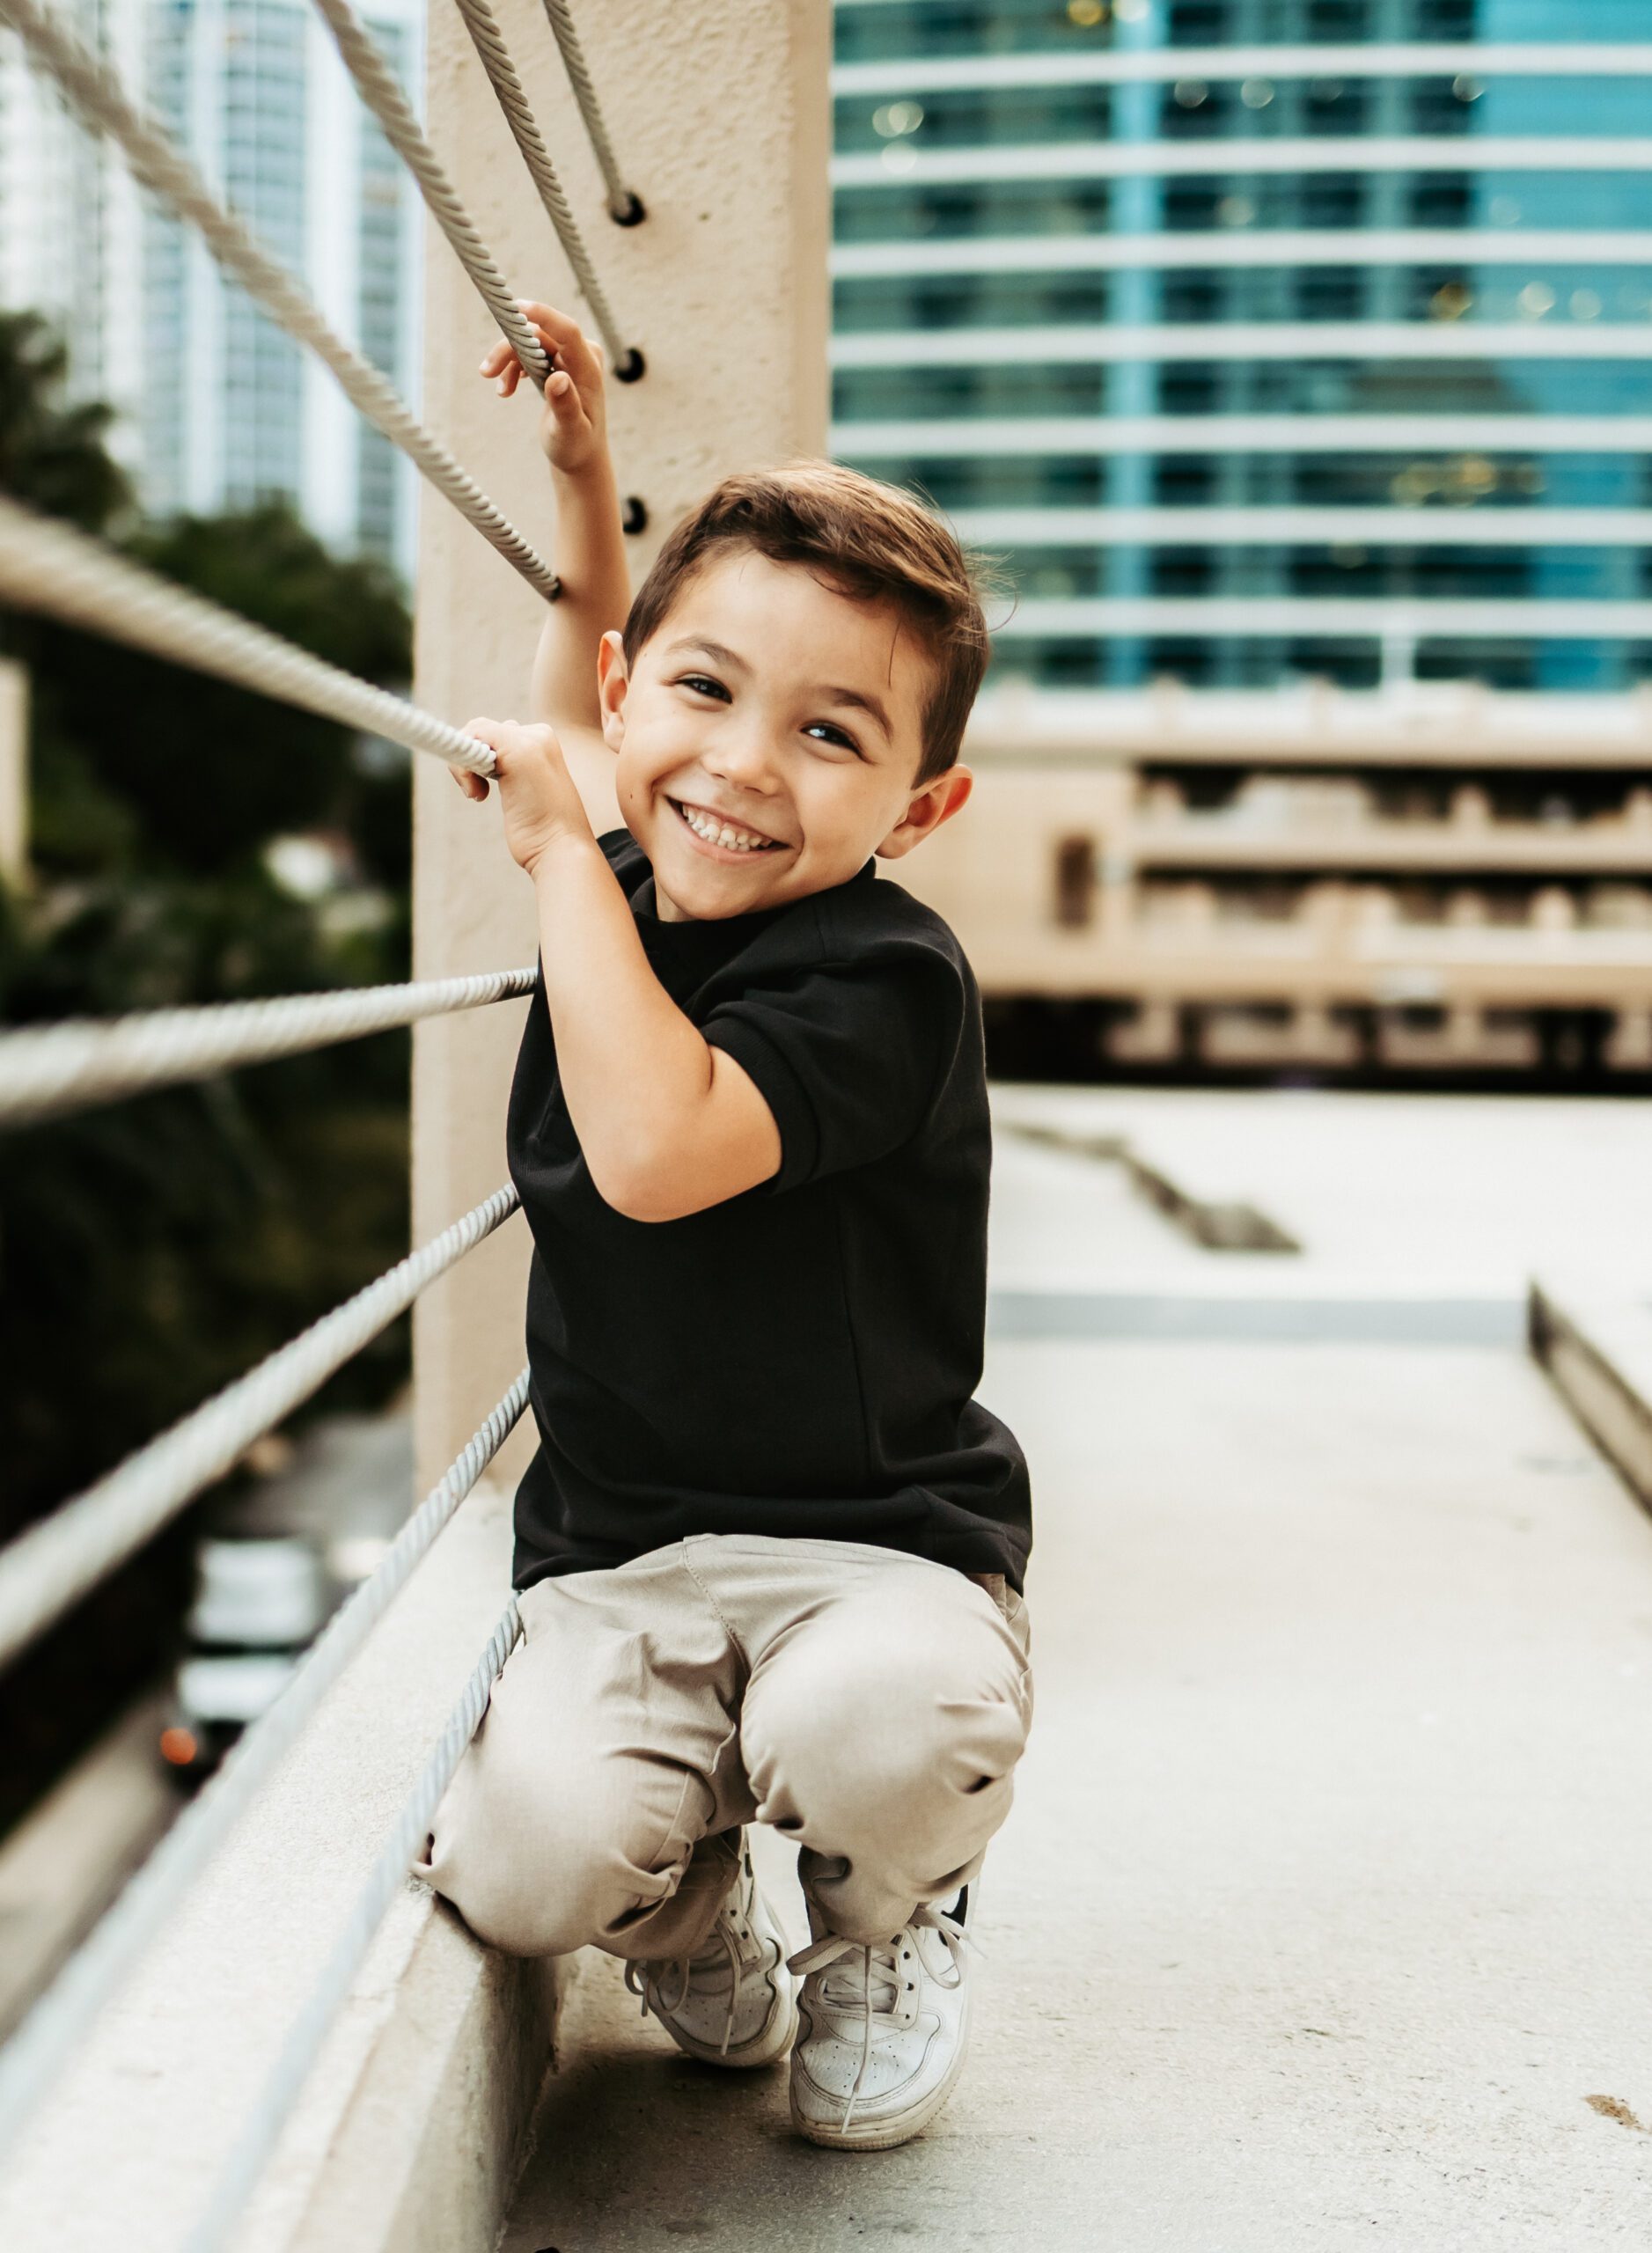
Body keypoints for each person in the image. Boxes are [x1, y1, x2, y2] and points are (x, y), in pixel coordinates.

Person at [417, 301, 1032, 2152]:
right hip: (619, 1552)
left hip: (874, 1547)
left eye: (830, 732)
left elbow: (661, 1149)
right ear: (634, 697)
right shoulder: (631, 855)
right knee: (522, 1862)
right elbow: (583, 688)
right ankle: (689, 1916)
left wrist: (553, 849)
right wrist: (582, 468)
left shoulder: (881, 977)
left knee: (887, 1726)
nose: (746, 764)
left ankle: (887, 1921)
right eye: (705, 693)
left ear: (921, 805)